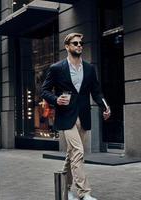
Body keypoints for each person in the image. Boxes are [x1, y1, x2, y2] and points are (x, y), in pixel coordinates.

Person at [41, 33, 110, 200]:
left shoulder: (89, 68)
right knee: (78, 152)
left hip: (83, 116)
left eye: (81, 43)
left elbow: (96, 91)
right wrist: (56, 99)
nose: (79, 45)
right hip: (66, 117)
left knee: (72, 154)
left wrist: (105, 107)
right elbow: (44, 90)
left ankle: (66, 190)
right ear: (67, 46)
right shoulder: (56, 68)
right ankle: (84, 193)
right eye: (75, 43)